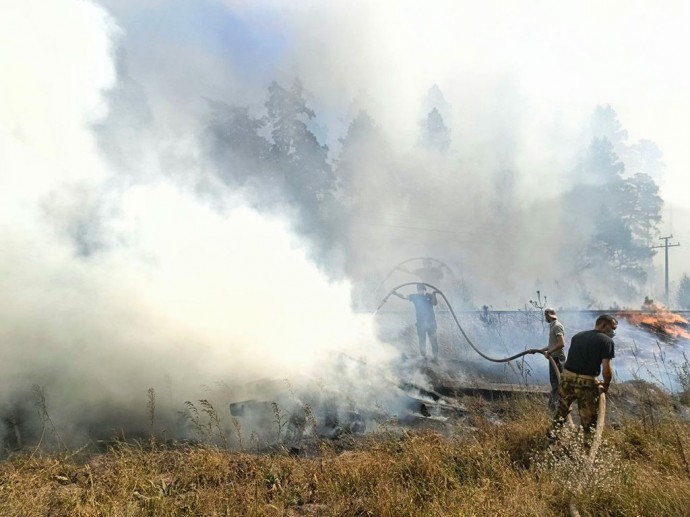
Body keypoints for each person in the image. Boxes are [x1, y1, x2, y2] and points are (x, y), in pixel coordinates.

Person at [553, 314, 616, 435]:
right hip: (586, 382)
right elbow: (606, 369)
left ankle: (550, 439)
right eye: (612, 328)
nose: (613, 332)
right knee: (588, 419)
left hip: (566, 377)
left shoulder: (578, 336)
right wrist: (606, 385)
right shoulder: (607, 341)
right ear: (603, 325)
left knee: (561, 411)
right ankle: (587, 449)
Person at [393, 284, 439, 359]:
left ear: (425, 290)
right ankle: (424, 357)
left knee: (433, 342)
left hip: (431, 323)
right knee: (422, 342)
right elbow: (404, 297)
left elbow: (435, 303)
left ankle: (436, 358)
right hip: (420, 324)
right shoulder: (415, 297)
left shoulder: (429, 296)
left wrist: (434, 294)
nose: (421, 291)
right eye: (419, 290)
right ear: (417, 291)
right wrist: (395, 293)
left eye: (422, 289)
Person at [541, 308, 566, 412]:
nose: (545, 318)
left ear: (548, 315)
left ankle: (555, 407)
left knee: (557, 383)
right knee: (555, 383)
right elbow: (552, 344)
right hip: (554, 357)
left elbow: (561, 343)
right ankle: (554, 406)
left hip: (557, 359)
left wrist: (549, 352)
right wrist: (540, 350)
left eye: (545, 315)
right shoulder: (552, 326)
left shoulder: (557, 326)